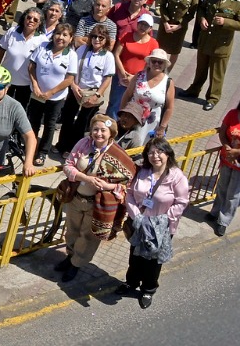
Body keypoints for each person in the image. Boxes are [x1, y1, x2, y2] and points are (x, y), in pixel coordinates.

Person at [54, 113, 134, 283]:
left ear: (111, 133)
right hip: (76, 198)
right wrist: (86, 178)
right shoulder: (83, 143)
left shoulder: (117, 154)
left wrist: (107, 186)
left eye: (103, 130)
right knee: (72, 231)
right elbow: (68, 165)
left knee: (88, 237)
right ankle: (70, 256)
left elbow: (126, 183)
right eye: (95, 129)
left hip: (96, 205)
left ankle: (76, 264)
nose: (98, 133)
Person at [118, 136, 190, 308]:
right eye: (151, 152)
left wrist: (161, 220)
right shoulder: (142, 171)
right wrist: (137, 216)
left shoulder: (176, 176)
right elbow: (130, 193)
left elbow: (182, 202)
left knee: (153, 262)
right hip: (139, 223)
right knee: (135, 256)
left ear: (168, 154)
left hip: (161, 228)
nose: (155, 156)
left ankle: (148, 289)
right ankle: (131, 283)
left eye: (159, 152)